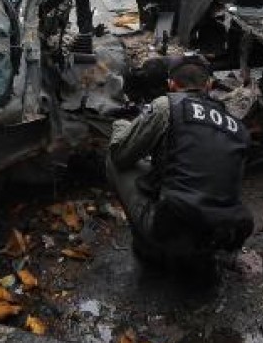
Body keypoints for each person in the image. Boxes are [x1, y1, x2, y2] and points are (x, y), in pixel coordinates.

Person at [107, 54, 254, 267]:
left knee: (114, 158)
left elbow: (121, 155)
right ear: (209, 85)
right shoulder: (237, 126)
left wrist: (121, 125)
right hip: (222, 233)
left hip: (172, 228)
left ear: (171, 84)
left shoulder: (166, 106)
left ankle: (148, 249)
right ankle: (202, 253)